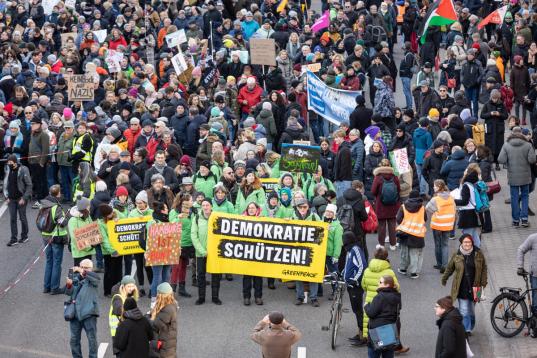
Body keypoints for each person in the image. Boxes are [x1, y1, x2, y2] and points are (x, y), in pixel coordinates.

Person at [441, 234, 488, 336]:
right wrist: (444, 278)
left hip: (476, 287)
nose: (467, 244)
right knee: (464, 310)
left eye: (469, 242)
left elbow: (484, 268)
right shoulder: (457, 254)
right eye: (465, 242)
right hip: (461, 287)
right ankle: (466, 330)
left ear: (472, 243)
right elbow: (449, 268)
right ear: (461, 243)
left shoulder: (478, 253)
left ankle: (471, 325)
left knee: (471, 310)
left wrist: (484, 283)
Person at [498, 127, 537, 228]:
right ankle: (524, 219)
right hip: (525, 176)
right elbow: (532, 160)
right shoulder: (528, 145)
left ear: (512, 133)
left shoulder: (506, 145)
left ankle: (515, 221)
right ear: (521, 133)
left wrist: (509, 161)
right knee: (525, 197)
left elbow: (501, 159)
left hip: (513, 176)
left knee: (514, 198)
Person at [65, 258, 101, 358]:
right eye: (81, 267)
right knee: (74, 340)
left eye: (86, 268)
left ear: (91, 269)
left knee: (91, 339)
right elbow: (68, 293)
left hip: (89, 313)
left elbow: (97, 280)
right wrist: (68, 285)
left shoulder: (93, 278)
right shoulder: (76, 278)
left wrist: (82, 271)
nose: (83, 269)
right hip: (75, 314)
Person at [192, 199, 222, 305]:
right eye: (203, 205)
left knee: (216, 275)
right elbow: (194, 235)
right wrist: (202, 251)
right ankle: (201, 297)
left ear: (211, 206)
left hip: (215, 253)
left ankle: (215, 297)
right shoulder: (196, 218)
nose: (205, 207)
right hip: (201, 253)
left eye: (207, 205)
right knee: (201, 275)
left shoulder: (217, 217)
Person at [364, 275, 401, 358]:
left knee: (373, 355)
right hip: (390, 332)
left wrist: (366, 306)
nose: (378, 283)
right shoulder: (397, 296)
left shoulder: (380, 297)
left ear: (387, 285)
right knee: (388, 355)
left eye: (380, 282)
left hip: (377, 333)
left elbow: (371, 313)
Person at [41, 184, 68, 294]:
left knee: (49, 261)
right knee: (57, 262)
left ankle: (46, 287)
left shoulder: (43, 204)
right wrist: (66, 217)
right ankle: (55, 288)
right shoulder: (56, 207)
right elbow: (62, 223)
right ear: (58, 194)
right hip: (56, 237)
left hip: (45, 235)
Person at [343, 231, 368, 346]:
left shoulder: (356, 249)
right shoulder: (349, 250)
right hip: (350, 285)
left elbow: (362, 266)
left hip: (356, 286)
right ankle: (360, 332)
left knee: (358, 311)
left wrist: (354, 280)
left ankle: (363, 337)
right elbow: (349, 265)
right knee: (355, 310)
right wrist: (342, 273)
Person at [426, 180, 456, 273]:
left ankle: (439, 264)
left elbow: (427, 208)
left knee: (438, 244)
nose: (433, 187)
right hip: (448, 224)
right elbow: (454, 209)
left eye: (434, 186)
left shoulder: (436, 199)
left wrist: (435, 211)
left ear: (439, 187)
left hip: (438, 224)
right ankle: (445, 265)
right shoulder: (451, 197)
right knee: (445, 245)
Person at [396, 190, 427, 278]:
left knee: (404, 253)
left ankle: (403, 269)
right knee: (415, 254)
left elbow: (398, 219)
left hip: (404, 233)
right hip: (417, 234)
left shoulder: (403, 206)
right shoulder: (422, 208)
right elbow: (425, 219)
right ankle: (414, 272)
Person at [371, 159, 401, 249]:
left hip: (381, 205)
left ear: (380, 165)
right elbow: (399, 189)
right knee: (392, 224)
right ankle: (393, 244)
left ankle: (381, 244)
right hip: (393, 205)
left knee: (382, 225)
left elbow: (373, 191)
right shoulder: (394, 176)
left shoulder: (378, 177)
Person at [4, 154, 32, 246]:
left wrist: (24, 198)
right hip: (11, 199)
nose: (9, 164)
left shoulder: (23, 170)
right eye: (8, 163)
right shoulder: (8, 170)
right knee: (12, 219)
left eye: (10, 163)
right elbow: (6, 184)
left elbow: (29, 185)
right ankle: (13, 238)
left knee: (22, 218)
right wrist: (6, 197)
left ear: (15, 162)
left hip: (21, 199)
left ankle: (24, 236)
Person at [149, 282, 177, 358]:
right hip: (168, 341)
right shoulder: (171, 305)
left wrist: (150, 318)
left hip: (165, 343)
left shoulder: (167, 309)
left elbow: (156, 325)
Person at [68, 197, 95, 266]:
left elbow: (93, 230)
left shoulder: (88, 217)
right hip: (79, 253)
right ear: (84, 207)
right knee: (79, 274)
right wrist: (89, 246)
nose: (90, 207)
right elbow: (75, 238)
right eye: (88, 206)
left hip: (88, 251)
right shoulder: (73, 220)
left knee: (87, 274)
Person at [517, 233, 537, 315]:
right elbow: (521, 249)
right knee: (536, 300)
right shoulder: (533, 238)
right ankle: (534, 320)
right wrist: (520, 266)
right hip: (535, 275)